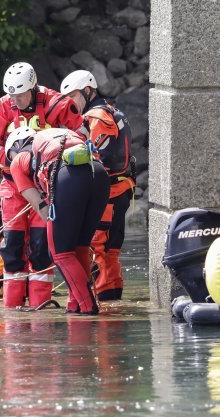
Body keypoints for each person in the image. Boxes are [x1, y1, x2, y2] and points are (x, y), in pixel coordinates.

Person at [0, 62, 86, 308]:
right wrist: (6, 158)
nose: (15, 100)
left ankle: (40, 306)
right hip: (12, 183)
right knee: (13, 247)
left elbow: (81, 134)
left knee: (40, 247)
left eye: (19, 94)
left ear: (33, 87)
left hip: (45, 186)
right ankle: (13, 308)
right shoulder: (3, 106)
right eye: (11, 95)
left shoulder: (57, 104)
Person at [5, 126, 110, 315]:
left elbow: (42, 209)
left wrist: (58, 225)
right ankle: (74, 304)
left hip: (69, 177)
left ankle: (87, 307)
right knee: (80, 247)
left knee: (61, 253)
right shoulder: (56, 135)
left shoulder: (18, 161)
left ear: (17, 146)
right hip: (99, 174)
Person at [60, 69, 136, 301]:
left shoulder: (96, 117)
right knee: (110, 250)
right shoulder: (112, 111)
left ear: (87, 91)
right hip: (120, 190)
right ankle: (111, 295)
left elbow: (95, 156)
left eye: (73, 97)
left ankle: (99, 297)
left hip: (109, 193)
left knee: (97, 248)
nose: (70, 104)